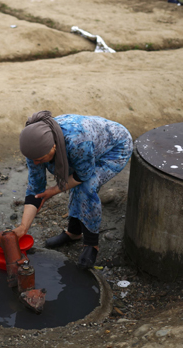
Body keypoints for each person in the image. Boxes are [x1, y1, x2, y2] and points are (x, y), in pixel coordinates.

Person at [13, 111, 133, 269]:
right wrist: (23, 227)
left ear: (54, 147)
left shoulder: (77, 141)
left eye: (40, 160)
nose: (36, 163)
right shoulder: (35, 148)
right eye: (33, 160)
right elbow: (35, 189)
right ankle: (74, 232)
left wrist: (52, 191)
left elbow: (82, 176)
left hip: (115, 147)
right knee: (74, 178)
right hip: (90, 146)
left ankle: (91, 244)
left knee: (86, 187)